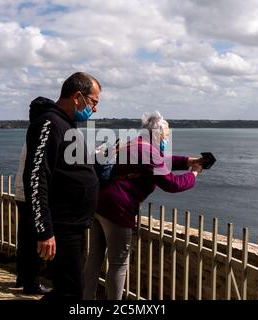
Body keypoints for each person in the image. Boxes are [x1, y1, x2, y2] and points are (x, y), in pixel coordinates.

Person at [83, 111, 204, 300]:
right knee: (118, 264)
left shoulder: (132, 143)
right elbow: (171, 184)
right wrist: (194, 174)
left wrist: (189, 160)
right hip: (118, 209)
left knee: (94, 257)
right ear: (157, 135)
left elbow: (162, 162)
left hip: (100, 204)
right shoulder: (148, 150)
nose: (166, 141)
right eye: (165, 137)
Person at [23, 72, 101, 300]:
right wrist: (44, 230)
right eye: (93, 102)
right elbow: (36, 177)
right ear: (78, 96)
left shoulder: (64, 123)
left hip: (73, 224)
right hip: (61, 225)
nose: (94, 109)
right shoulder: (49, 123)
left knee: (68, 290)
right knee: (70, 292)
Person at [14, 143, 52, 295]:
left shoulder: (32, 136)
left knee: (24, 239)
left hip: (21, 191)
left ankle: (22, 277)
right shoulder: (43, 138)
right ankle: (32, 283)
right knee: (34, 241)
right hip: (32, 196)